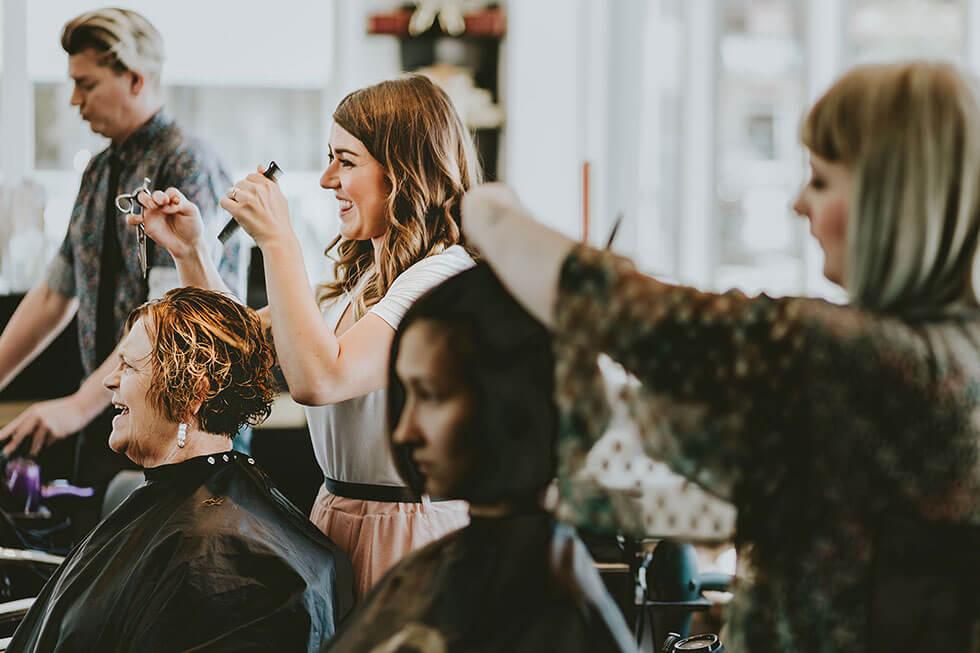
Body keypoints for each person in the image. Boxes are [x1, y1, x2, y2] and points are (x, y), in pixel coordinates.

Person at [462, 61, 980, 652]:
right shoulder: (956, 354)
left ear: (892, 198)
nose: (798, 204)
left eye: (820, 181)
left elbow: (636, 317)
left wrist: (488, 211)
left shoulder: (868, 360)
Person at [130, 74, 478, 598]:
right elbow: (236, 344)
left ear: (404, 171)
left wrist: (278, 240)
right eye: (329, 158)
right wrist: (192, 252)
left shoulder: (442, 281)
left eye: (346, 161)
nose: (326, 179)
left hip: (410, 535)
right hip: (338, 517)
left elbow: (321, 378)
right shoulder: (360, 283)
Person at [7, 287, 354, 652]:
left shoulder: (225, 562)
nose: (110, 380)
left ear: (192, 393)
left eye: (129, 366)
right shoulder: (201, 517)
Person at [0, 8, 243, 519]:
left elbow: (167, 315)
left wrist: (76, 406)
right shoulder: (98, 171)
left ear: (135, 78)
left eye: (86, 84)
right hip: (117, 415)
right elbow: (54, 294)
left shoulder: (187, 163)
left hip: (182, 433)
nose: (74, 100)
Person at [325, 263, 635, 653]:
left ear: (513, 405)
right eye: (407, 394)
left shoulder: (551, 615)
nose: (405, 432)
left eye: (431, 395)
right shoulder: (453, 569)